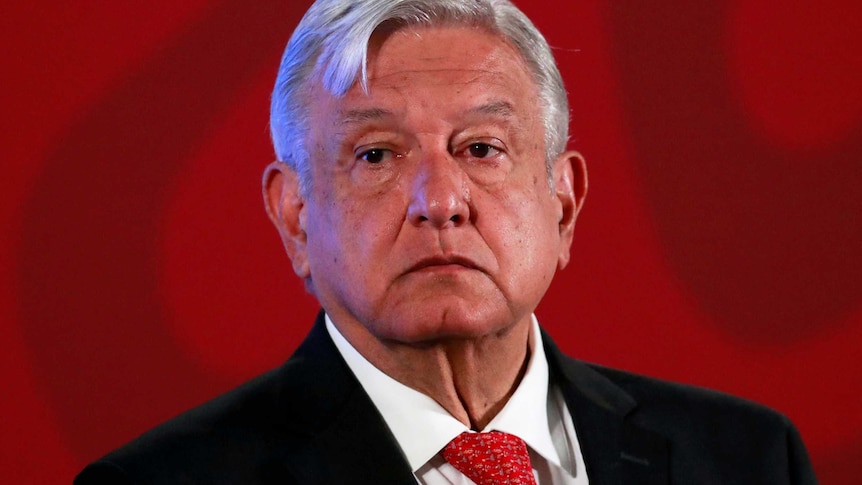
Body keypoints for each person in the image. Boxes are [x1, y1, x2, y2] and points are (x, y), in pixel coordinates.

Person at [75, 0, 818, 483]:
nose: (439, 202)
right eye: (376, 155)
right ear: (296, 215)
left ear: (562, 202)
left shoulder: (748, 459)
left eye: (482, 147)